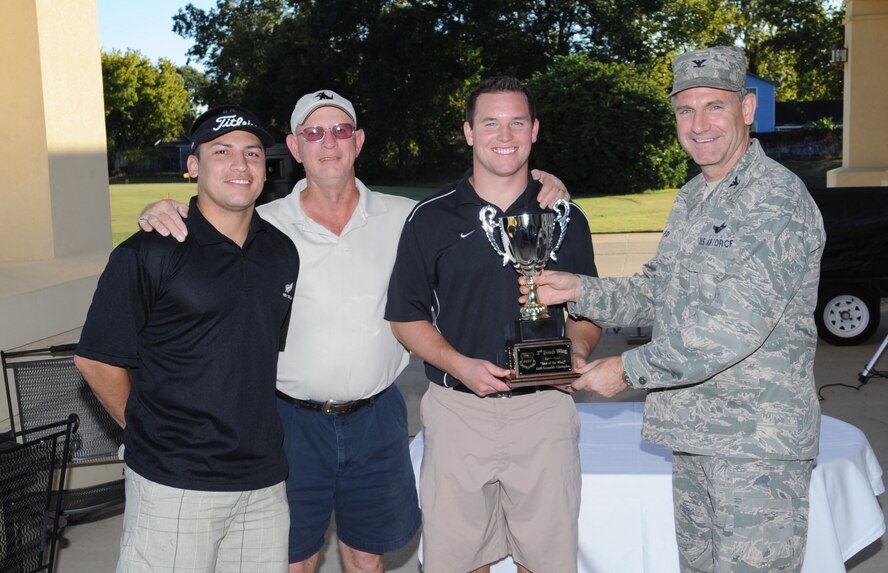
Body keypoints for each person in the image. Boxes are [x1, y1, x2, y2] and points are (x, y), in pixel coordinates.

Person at [137, 89, 571, 573]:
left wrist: (541, 180)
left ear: (358, 141)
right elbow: (205, 219)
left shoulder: (405, 216)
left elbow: (484, 199)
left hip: (377, 417)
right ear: (295, 146)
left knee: (367, 557)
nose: (329, 143)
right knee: (293, 559)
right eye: (313, 133)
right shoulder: (259, 224)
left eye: (341, 130)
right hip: (288, 421)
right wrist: (163, 210)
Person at [523, 46, 826, 572]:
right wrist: (578, 289)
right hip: (697, 434)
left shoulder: (774, 198)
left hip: (755, 447)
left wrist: (625, 370)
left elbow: (734, 327)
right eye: (686, 109)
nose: (699, 123)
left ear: (747, 110)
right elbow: (658, 292)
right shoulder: (693, 197)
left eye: (715, 106)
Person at [384, 76, 602, 573]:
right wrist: (459, 364)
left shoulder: (566, 217)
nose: (504, 135)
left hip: (544, 409)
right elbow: (405, 316)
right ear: (468, 131)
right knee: (457, 561)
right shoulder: (430, 218)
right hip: (459, 412)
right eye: (490, 123)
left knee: (545, 560)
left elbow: (589, 312)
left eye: (516, 122)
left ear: (534, 130)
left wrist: (577, 352)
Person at [74, 106, 298, 572]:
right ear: (192, 165)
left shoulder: (281, 252)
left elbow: (254, 357)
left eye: (252, 153)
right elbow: (96, 361)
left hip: (263, 483)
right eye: (222, 152)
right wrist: (141, 432)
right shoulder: (149, 250)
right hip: (174, 485)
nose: (240, 165)